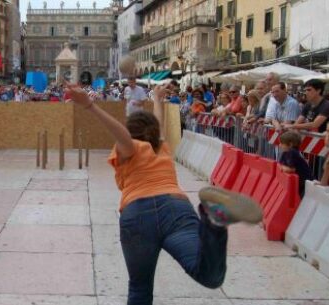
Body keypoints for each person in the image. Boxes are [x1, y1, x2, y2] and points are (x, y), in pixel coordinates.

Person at [67, 82, 262, 305]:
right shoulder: (161, 148)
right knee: (210, 276)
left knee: (139, 288)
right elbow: (158, 127)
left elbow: (123, 136)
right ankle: (213, 221)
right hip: (176, 209)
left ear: (131, 132)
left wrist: (90, 106)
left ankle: (214, 222)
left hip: (138, 215)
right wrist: (158, 100)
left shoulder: (131, 148)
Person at [278, 131, 312, 197]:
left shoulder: (292, 152)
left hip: (305, 182)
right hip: (299, 182)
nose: (280, 145)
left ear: (290, 144)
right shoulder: (285, 152)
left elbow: (291, 169)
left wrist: (281, 168)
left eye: (282, 143)